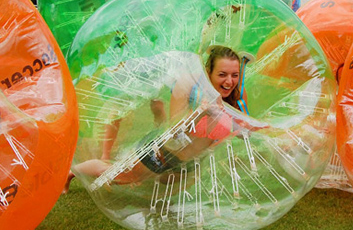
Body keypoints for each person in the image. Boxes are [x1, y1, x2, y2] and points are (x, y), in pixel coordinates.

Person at [68, 46, 262, 187]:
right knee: (117, 177)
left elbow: (239, 129)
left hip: (184, 164)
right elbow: (174, 129)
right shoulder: (194, 89)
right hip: (161, 153)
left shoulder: (235, 97)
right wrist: (201, 112)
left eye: (235, 75)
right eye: (222, 74)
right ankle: (71, 171)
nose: (229, 81)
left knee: (159, 185)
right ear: (209, 72)